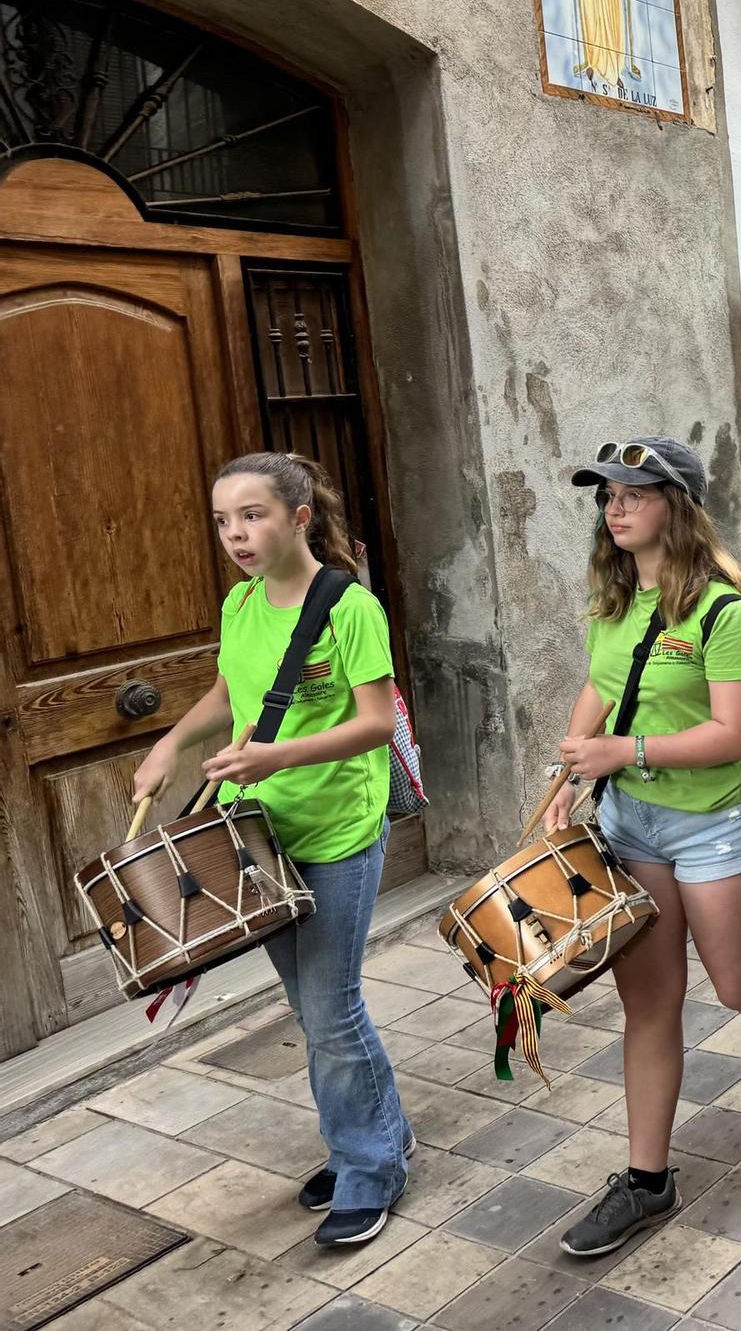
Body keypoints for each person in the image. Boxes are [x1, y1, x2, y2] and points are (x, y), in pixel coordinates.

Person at [133, 453, 411, 1249]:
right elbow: (230, 693)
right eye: (223, 521)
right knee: (315, 1009)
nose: (235, 535)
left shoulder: (350, 608)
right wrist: (172, 743)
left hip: (338, 830)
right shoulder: (241, 604)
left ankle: (370, 1166)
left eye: (251, 516)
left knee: (330, 1010)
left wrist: (272, 759)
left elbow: (374, 723)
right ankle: (376, 1137)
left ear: (299, 517)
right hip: (257, 832)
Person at [548, 437, 741, 1256]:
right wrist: (571, 764)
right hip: (634, 826)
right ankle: (647, 1180)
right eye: (607, 494)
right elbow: (603, 679)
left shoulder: (722, 611)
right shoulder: (614, 597)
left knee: (737, 984)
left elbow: (735, 736)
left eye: (635, 490)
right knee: (649, 1004)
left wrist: (621, 754)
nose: (615, 505)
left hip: (719, 825)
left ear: (679, 504)